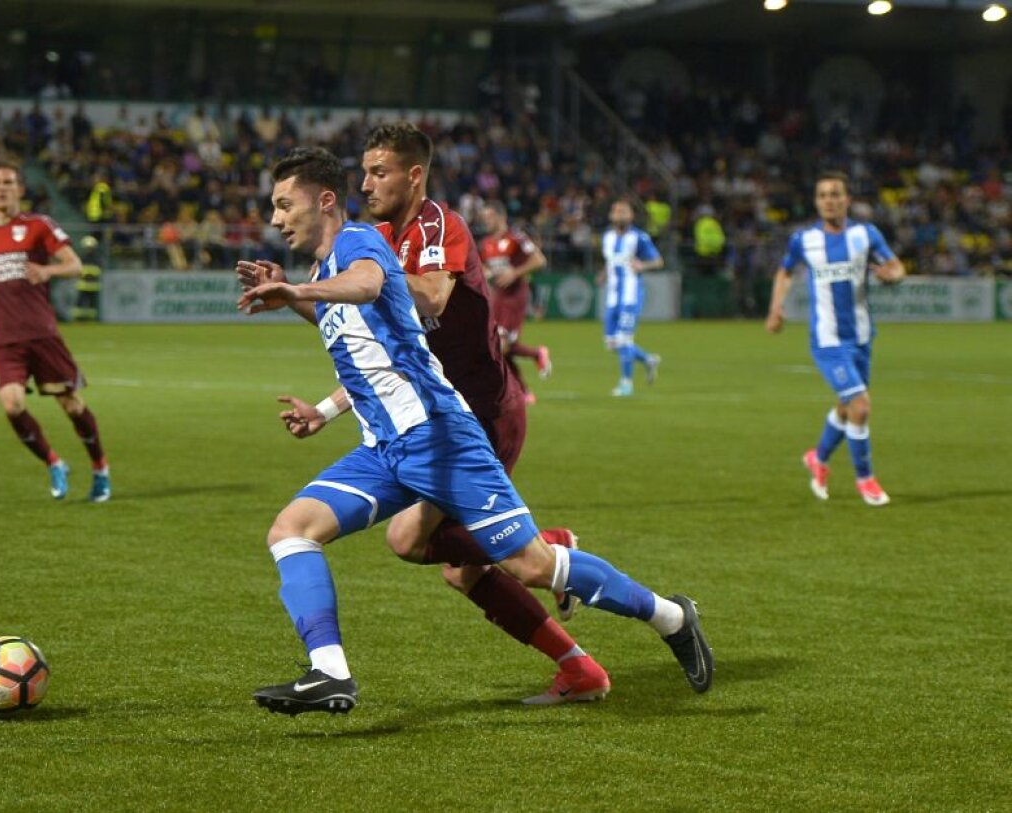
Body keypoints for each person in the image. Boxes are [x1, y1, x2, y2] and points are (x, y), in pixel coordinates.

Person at [237, 147, 713, 716]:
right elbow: (353, 317)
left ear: (324, 201)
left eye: (284, 205)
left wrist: (298, 291)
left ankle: (672, 616)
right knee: (291, 531)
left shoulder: (358, 242)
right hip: (383, 450)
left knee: (534, 567)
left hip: (439, 438)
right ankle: (329, 674)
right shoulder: (321, 272)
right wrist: (294, 296)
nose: (276, 219)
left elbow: (368, 284)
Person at [0, 162, 111, 503]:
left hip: (40, 332)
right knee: (12, 405)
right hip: (3, 336)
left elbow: (74, 265)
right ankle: (54, 462)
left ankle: (100, 469)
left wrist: (47, 270)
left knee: (72, 405)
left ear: (20, 189)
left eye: (9, 182)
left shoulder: (38, 226)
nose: (2, 188)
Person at [766, 170, 905, 506]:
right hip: (827, 341)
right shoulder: (804, 240)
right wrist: (776, 308)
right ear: (816, 202)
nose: (829, 200)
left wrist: (892, 276)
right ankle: (866, 480)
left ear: (847, 199)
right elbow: (784, 271)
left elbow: (896, 266)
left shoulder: (866, 234)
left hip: (861, 337)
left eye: (835, 194)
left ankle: (819, 457)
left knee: (846, 407)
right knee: (861, 406)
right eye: (823, 195)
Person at [478, 201, 552, 405]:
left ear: (502, 217)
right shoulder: (485, 244)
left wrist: (515, 273)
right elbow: (484, 269)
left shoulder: (516, 238)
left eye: (490, 216)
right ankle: (526, 383)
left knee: (502, 345)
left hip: (515, 296)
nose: (486, 221)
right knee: (497, 345)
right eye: (484, 218)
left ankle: (526, 381)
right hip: (497, 296)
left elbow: (539, 260)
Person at [599, 198, 665, 397]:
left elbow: (658, 261)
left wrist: (642, 266)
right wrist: (603, 274)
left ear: (631, 216)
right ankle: (647, 359)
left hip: (630, 296)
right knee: (611, 343)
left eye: (623, 211)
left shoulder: (639, 237)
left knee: (624, 340)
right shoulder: (607, 237)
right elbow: (611, 261)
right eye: (616, 211)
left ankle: (626, 384)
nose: (619, 214)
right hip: (612, 296)